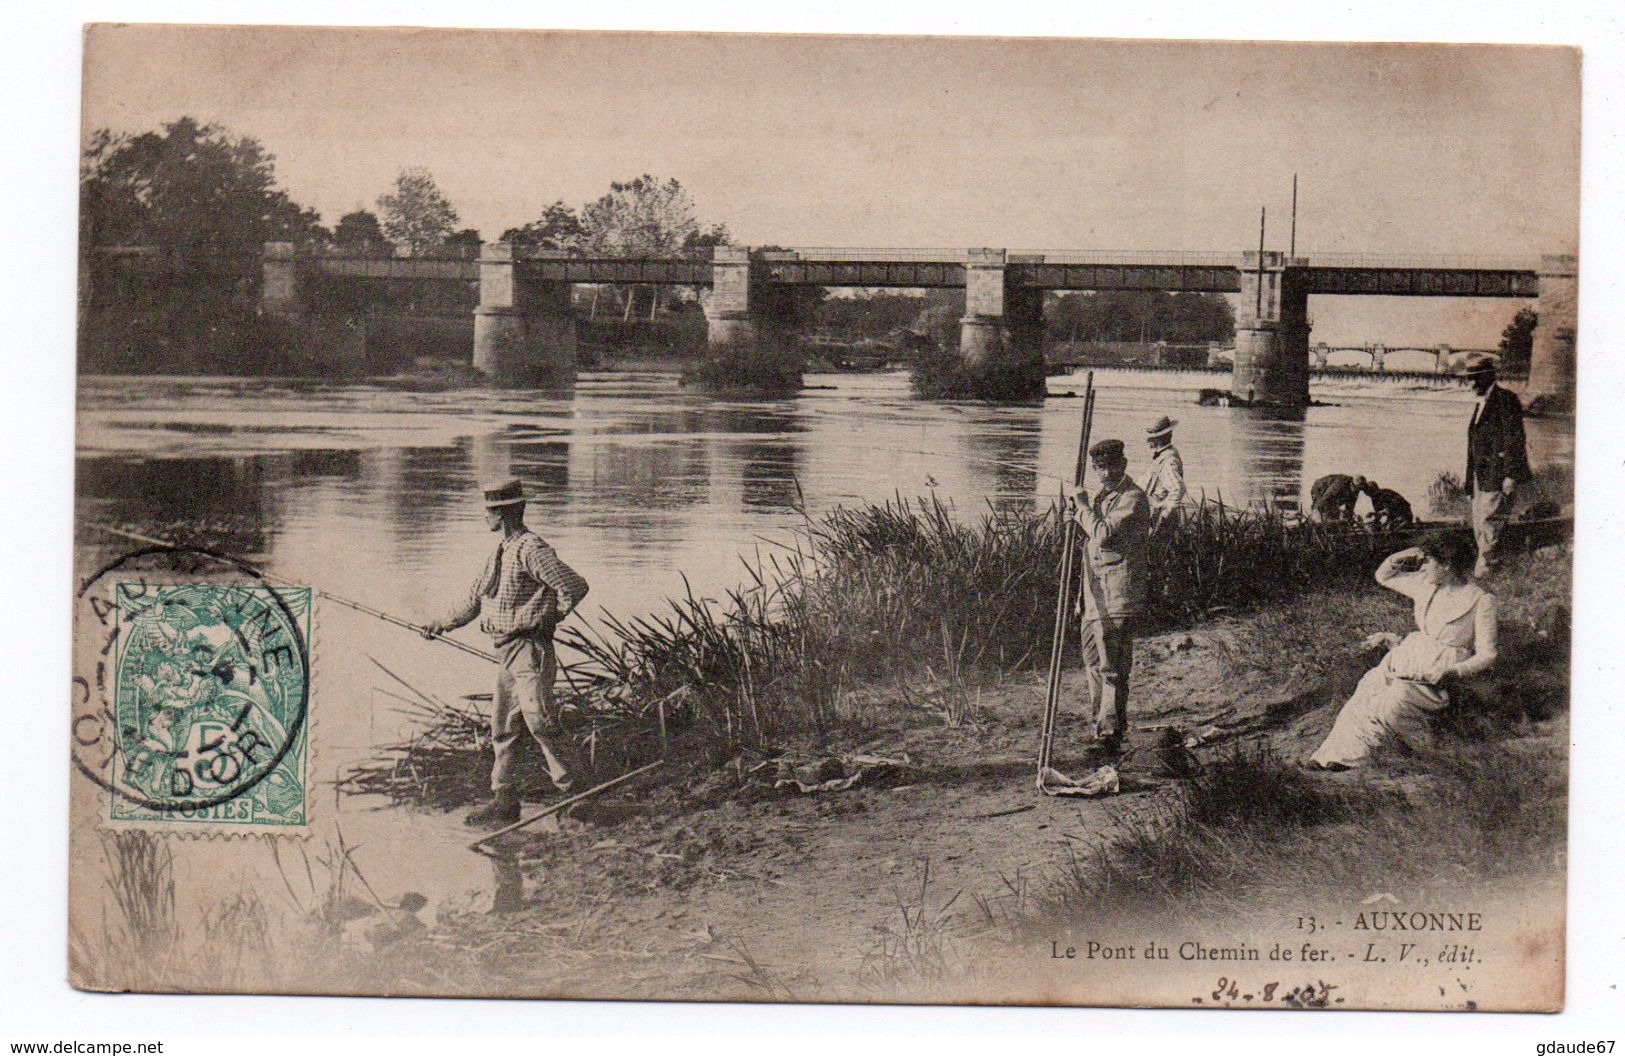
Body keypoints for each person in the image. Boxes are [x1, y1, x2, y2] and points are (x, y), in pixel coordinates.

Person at [423, 478, 591, 828]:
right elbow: (473, 600)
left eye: (490, 511)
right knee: (503, 727)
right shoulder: (500, 551)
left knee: (541, 722)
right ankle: (504, 800)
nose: (486, 517)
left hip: (530, 650)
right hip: (507, 652)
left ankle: (578, 796)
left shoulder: (532, 549)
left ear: (505, 513)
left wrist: (549, 618)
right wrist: (442, 623)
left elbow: (574, 586)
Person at [1307, 532, 1497, 770]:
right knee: (1368, 687)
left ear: (1447, 565)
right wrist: (1409, 552)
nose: (1422, 566)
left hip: (1441, 674)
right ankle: (1330, 756)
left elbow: (1487, 655)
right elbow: (1383, 575)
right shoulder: (1426, 586)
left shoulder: (1481, 600)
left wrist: (1454, 672)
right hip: (1408, 658)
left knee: (1392, 702)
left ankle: (1361, 758)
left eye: (1428, 560)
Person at [1064, 439, 1151, 756]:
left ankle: (1111, 735)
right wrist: (1074, 516)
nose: (1105, 474)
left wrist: (1083, 509)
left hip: (1117, 597)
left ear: (1124, 464)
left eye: (1111, 466)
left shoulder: (1133, 498)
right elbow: (1088, 537)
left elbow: (1102, 535)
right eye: (1099, 468)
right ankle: (1100, 728)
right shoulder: (1103, 495)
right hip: (1092, 598)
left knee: (1112, 667)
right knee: (1093, 664)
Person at [1463, 355, 1532, 577]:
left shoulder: (1505, 399)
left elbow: (1515, 438)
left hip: (1497, 474)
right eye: (1469, 379)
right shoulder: (1481, 402)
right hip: (1479, 476)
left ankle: (1486, 573)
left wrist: (1511, 474)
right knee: (1479, 524)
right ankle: (1488, 568)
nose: (1471, 383)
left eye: (1475, 378)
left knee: (1491, 523)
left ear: (1488, 377)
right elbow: (1473, 445)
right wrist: (1468, 481)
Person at [1142, 416, 1188, 524]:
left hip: (1156, 518)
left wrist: (1164, 515)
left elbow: (1178, 489)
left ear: (1159, 439)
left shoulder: (1168, 461)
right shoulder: (1166, 455)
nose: (1148, 441)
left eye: (1151, 438)